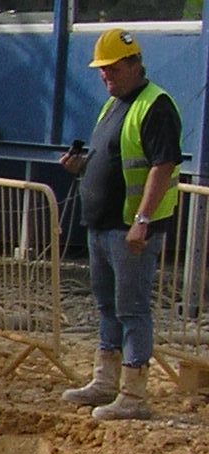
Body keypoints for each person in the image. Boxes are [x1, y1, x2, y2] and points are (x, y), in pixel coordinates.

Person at [60, 27, 183, 421]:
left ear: (134, 65)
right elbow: (112, 157)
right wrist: (83, 167)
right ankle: (105, 381)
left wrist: (143, 220)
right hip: (102, 225)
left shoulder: (155, 105)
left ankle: (133, 393)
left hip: (130, 229)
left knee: (131, 309)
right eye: (102, 70)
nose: (105, 76)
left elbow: (162, 165)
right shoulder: (114, 104)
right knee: (106, 305)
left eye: (112, 69)